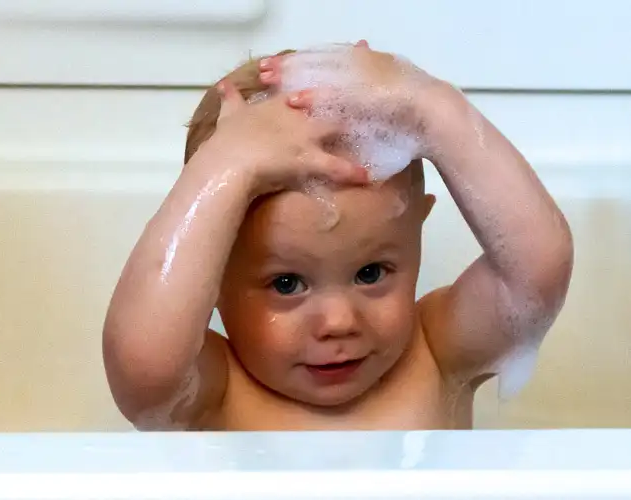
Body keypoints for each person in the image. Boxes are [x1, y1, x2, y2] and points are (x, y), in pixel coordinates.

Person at [102, 41, 574, 430]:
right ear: (210, 277)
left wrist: (431, 110)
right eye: (286, 283)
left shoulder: (437, 353)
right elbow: (143, 367)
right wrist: (228, 166)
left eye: (371, 273)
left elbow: (536, 274)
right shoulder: (216, 392)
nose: (338, 321)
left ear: (417, 234)